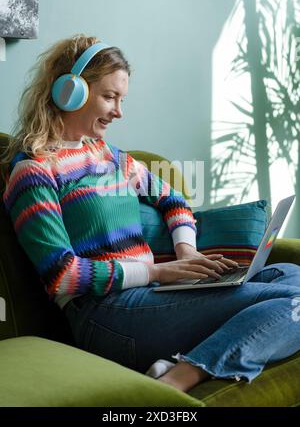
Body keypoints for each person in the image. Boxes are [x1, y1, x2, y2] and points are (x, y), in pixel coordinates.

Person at [2, 34, 300, 394]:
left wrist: (186, 252)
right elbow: (62, 275)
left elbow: (172, 199)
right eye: (109, 97)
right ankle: (183, 376)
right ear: (71, 91)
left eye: (121, 99)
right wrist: (157, 271)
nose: (119, 111)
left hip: (154, 294)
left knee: (290, 274)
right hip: (105, 315)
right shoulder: (34, 170)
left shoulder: (110, 156)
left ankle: (180, 362)